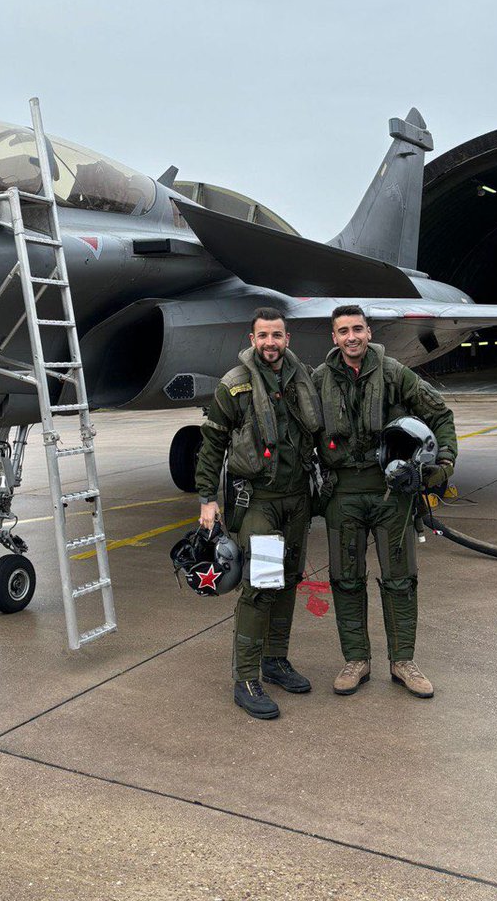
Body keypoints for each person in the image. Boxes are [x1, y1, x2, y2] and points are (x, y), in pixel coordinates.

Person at [313, 305, 457, 699]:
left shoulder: (394, 373)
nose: (351, 337)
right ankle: (356, 659)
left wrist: (442, 464)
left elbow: (440, 414)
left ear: (368, 331)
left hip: (391, 491)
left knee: (400, 577)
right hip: (342, 493)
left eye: (357, 329)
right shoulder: (319, 379)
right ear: (334, 337)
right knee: (345, 578)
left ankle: (402, 662)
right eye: (343, 331)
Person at [195, 307, 322, 719]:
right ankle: (246, 678)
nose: (271, 343)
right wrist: (207, 498)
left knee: (289, 581)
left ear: (288, 339)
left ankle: (275, 660)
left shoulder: (302, 379)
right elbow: (212, 444)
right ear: (252, 340)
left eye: (278, 335)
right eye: (263, 336)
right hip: (260, 502)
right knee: (262, 584)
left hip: (297, 499)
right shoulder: (234, 387)